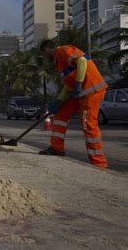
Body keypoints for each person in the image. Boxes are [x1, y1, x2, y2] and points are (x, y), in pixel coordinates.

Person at [39, 40, 108, 168]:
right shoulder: (59, 62)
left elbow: (82, 61)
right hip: (81, 92)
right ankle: (56, 148)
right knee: (61, 112)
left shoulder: (62, 50)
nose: (44, 57)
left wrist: (78, 83)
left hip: (91, 90)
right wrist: (59, 100)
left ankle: (99, 162)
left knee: (88, 124)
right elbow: (68, 86)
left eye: (43, 54)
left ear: (46, 49)